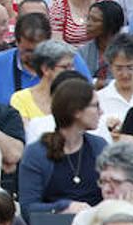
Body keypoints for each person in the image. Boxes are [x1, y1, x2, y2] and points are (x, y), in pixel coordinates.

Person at [19, 79, 106, 216]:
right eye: (95, 106)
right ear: (76, 111)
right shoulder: (37, 153)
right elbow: (28, 207)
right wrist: (64, 207)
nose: (101, 112)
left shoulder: (100, 147)